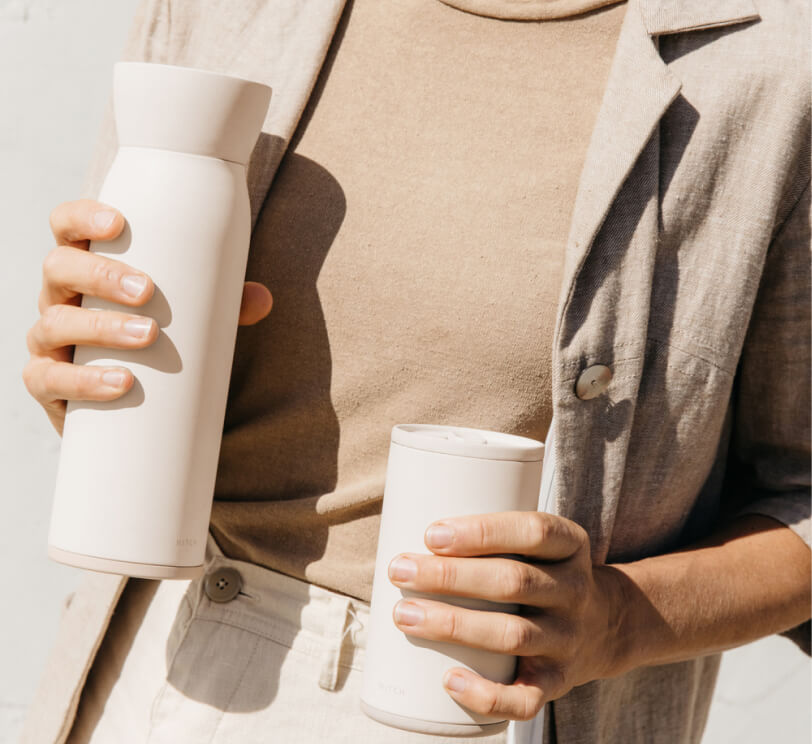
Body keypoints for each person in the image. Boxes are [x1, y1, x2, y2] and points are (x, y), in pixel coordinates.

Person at [21, 0, 811, 742]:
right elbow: (103, 347)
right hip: (140, 662)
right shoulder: (223, 9)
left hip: (464, 701)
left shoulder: (774, 60)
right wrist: (86, 376)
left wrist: (620, 619)